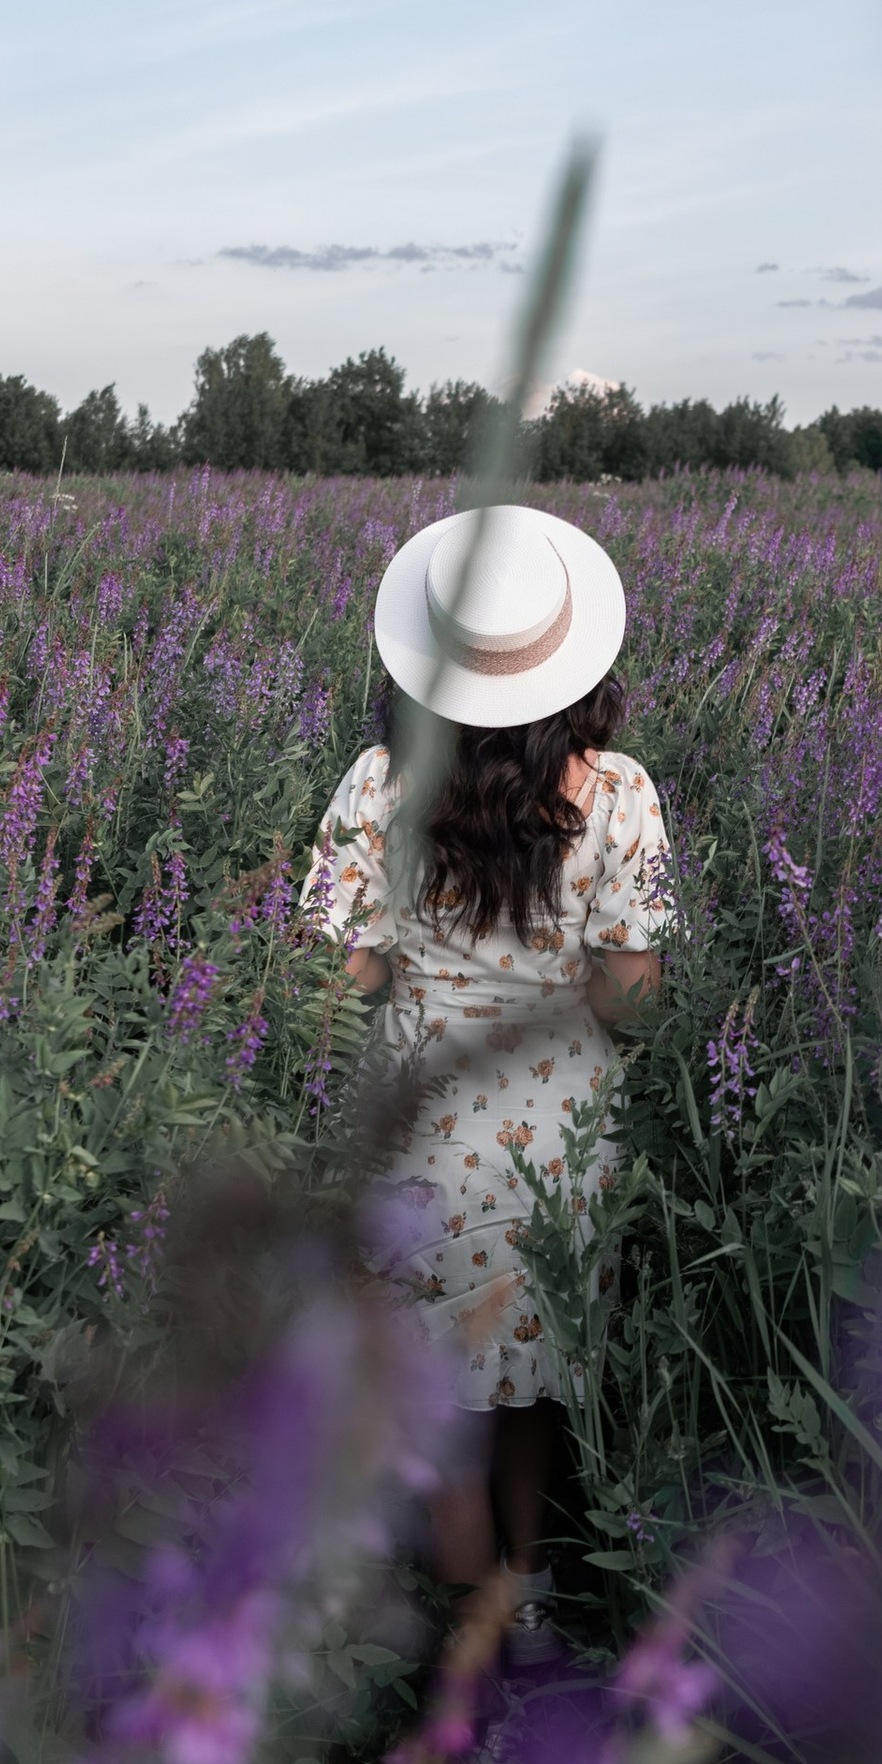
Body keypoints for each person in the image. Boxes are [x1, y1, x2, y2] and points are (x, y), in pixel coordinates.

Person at [304, 500, 670, 1628]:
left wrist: (424, 974)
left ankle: (472, 1653)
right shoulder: (618, 793)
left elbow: (340, 973)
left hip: (423, 1116)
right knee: (533, 1386)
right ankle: (535, 1590)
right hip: (562, 1128)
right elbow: (633, 995)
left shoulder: (378, 782)